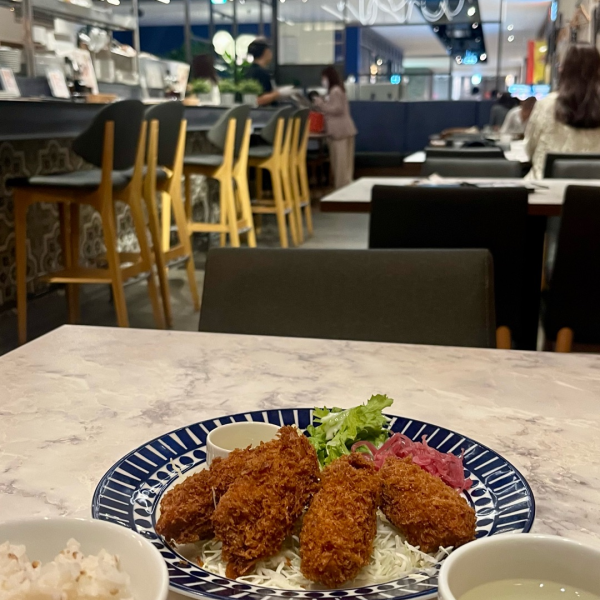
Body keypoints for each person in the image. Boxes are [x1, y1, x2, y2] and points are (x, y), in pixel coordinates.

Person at [525, 44, 600, 179]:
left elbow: (530, 149)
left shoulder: (545, 105)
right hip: (594, 188)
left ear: (563, 70)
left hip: (545, 186)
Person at [312, 66, 357, 189]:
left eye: (323, 78)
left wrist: (321, 104)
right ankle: (345, 188)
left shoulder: (335, 91)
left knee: (340, 165)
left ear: (329, 77)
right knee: (345, 166)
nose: (322, 81)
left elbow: (337, 109)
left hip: (339, 132)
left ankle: (342, 190)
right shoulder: (338, 90)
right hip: (345, 131)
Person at [245, 38, 280, 106]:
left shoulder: (249, 71)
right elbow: (259, 99)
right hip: (265, 110)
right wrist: (279, 93)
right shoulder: (261, 73)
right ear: (266, 52)